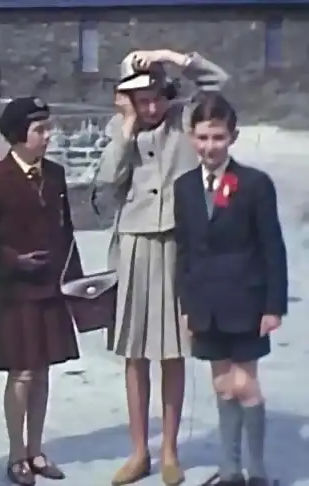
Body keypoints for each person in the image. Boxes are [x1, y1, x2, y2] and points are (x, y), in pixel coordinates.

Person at [92, 49, 229, 486]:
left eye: (156, 96)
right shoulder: (122, 129)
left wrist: (171, 56)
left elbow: (218, 84)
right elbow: (107, 184)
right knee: (134, 353)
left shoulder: (185, 121)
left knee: (172, 351)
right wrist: (125, 131)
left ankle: (170, 450)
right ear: (126, 100)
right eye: (140, 99)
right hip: (133, 243)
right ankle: (139, 452)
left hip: (176, 241)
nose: (151, 107)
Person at [0, 97, 83, 485]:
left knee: (44, 370)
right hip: (15, 292)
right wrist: (13, 260)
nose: (49, 137)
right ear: (17, 136)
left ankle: (36, 450)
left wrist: (76, 284)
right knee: (23, 373)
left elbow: (66, 232)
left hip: (51, 288)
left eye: (49, 128)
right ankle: (16, 455)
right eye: (40, 130)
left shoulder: (56, 174)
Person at [174, 94, 287, 486]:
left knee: (245, 384)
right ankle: (229, 470)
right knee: (222, 384)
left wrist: (274, 306)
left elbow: (273, 247)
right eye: (203, 137)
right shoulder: (185, 187)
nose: (210, 146)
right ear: (192, 137)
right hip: (205, 303)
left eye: (218, 137)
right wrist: (186, 304)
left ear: (232, 137)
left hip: (247, 301)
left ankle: (256, 471)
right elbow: (185, 250)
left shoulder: (254, 184)